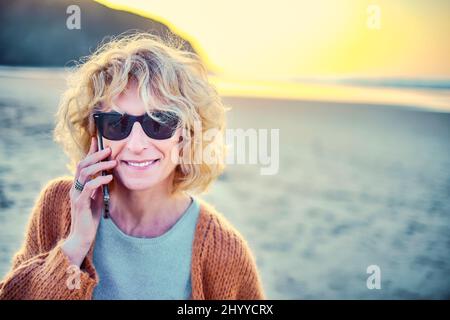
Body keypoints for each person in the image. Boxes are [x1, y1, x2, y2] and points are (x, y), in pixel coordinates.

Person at [0, 33, 265, 300]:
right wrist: (75, 245)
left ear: (187, 134)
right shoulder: (57, 207)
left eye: (158, 123)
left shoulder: (225, 250)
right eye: (117, 124)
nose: (136, 144)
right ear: (95, 132)